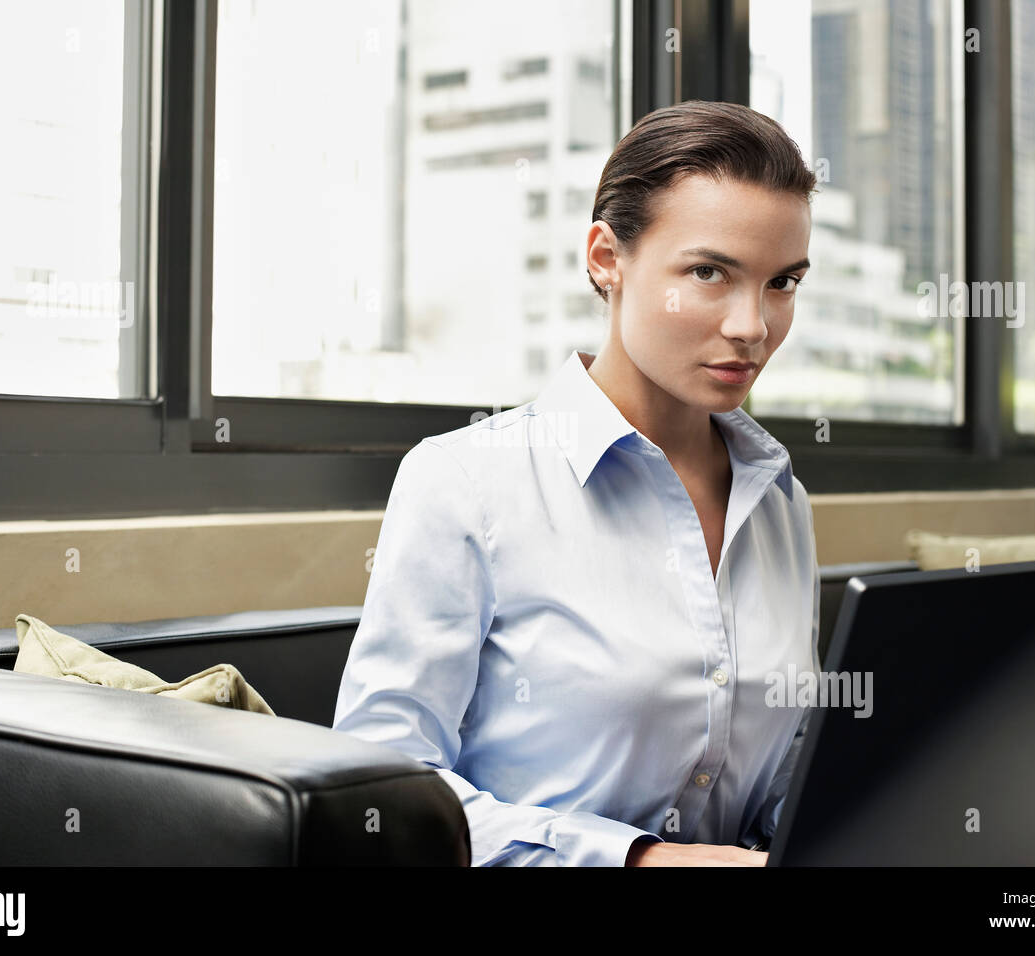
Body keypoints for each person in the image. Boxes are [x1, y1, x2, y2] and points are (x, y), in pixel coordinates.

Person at [333, 100, 820, 866]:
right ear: (606, 258)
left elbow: (788, 763)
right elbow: (383, 794)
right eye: (708, 273)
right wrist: (637, 861)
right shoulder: (465, 481)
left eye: (781, 283)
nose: (752, 326)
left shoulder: (778, 496)